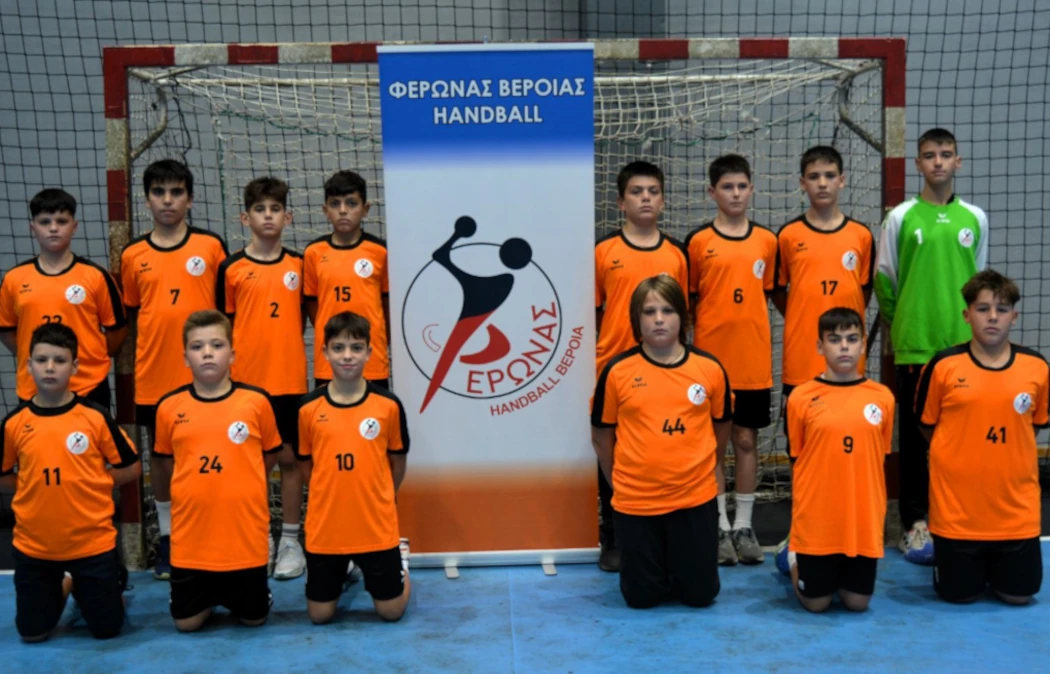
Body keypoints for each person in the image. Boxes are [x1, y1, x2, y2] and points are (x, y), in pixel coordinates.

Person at [874, 128, 989, 564]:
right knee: (916, 442)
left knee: (961, 440)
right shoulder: (901, 217)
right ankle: (915, 524)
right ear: (918, 164)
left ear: (958, 161)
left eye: (945, 154)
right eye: (929, 155)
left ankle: (956, 517)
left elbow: (979, 283)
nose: (938, 162)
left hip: (963, 349)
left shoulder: (975, 217)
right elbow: (885, 280)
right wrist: (904, 322)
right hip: (917, 347)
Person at [591, 275, 731, 608]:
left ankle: (679, 564)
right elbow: (601, 437)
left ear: (683, 317)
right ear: (636, 319)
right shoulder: (617, 371)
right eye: (649, 311)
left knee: (700, 596)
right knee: (642, 598)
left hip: (694, 499)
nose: (658, 319)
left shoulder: (709, 369)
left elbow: (721, 429)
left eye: (668, 310)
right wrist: (620, 483)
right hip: (636, 502)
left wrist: (702, 472)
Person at [120, 159, 228, 579]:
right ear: (147, 199)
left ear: (190, 199)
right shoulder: (133, 255)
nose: (168, 200)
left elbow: (224, 313)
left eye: (176, 192)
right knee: (162, 461)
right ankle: (168, 540)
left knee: (211, 454)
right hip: (155, 378)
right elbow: (133, 315)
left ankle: (213, 534)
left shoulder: (211, 247)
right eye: (159, 192)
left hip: (207, 378)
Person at [0, 323, 140, 641]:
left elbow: (131, 468)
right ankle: (65, 584)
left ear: (74, 366)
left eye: (60, 360)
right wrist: (32, 485)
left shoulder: (95, 417)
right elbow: (2, 475)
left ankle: (99, 581)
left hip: (91, 544)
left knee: (107, 630)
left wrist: (92, 481)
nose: (50, 367)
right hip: (35, 548)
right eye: (42, 360)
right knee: (32, 635)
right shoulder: (14, 423)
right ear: (28, 365)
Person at [916, 269, 1047, 604]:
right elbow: (927, 425)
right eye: (983, 308)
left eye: (1002, 310)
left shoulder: (1036, 367)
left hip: (1016, 514)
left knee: (1018, 597)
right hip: (957, 516)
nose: (992, 317)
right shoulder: (943, 366)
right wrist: (960, 449)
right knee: (959, 597)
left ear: (1014, 317)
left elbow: (1032, 426)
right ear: (966, 315)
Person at [152, 310, 282, 631]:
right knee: (186, 625)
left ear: (232, 354)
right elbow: (167, 462)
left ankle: (245, 592)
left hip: (244, 539)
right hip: (191, 541)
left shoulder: (256, 402)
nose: (207, 353)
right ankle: (206, 596)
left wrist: (241, 476)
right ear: (186, 358)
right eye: (197, 347)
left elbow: (269, 455)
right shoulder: (168, 407)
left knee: (254, 620)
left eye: (217, 345)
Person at [594, 161, 689, 572]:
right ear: (621, 202)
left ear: (663, 200)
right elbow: (594, 311)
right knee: (612, 448)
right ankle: (615, 534)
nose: (645, 198)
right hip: (614, 368)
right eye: (636, 192)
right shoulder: (603, 251)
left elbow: (685, 312)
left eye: (653, 191)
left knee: (663, 446)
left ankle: (667, 531)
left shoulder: (677, 253)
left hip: (667, 368)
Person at [685, 154, 776, 566]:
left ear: (751, 189)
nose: (735, 194)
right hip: (710, 365)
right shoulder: (697, 242)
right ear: (712, 192)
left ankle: (743, 526)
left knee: (745, 441)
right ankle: (718, 526)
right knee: (713, 446)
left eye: (742, 186)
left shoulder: (768, 242)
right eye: (727, 187)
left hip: (753, 363)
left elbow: (770, 293)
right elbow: (689, 301)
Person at [216, 177, 308, 580]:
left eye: (275, 209)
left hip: (290, 382)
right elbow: (224, 327)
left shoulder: (300, 265)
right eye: (259, 210)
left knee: (289, 460)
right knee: (250, 463)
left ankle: (289, 540)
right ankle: (257, 536)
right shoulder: (231, 268)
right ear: (245, 218)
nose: (267, 216)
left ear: (288, 217)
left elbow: (304, 318)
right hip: (245, 385)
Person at [297, 311, 411, 623]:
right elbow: (306, 466)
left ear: (369, 353)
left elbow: (398, 462)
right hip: (326, 528)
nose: (347, 356)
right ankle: (346, 567)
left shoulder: (388, 405)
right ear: (324, 353)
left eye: (356, 348)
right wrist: (327, 491)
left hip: (375, 525)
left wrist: (380, 495)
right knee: (319, 617)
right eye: (338, 348)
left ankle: (401, 563)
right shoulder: (308, 408)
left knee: (391, 612)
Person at [785, 308, 894, 612]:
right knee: (816, 604)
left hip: (861, 518)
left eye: (852, 338)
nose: (844, 346)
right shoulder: (801, 398)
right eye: (834, 340)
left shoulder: (883, 397)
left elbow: (879, 456)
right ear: (820, 347)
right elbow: (797, 459)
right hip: (818, 517)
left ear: (863, 345)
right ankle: (793, 555)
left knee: (857, 603)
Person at [0, 188, 127, 408]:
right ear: (33, 228)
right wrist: (37, 354)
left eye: (61, 221)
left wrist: (90, 356)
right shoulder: (14, 279)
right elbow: (6, 330)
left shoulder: (96, 276)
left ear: (74, 227)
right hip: (33, 390)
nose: (53, 228)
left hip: (89, 388)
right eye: (44, 222)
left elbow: (117, 331)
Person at [773, 145, 875, 406]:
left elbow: (864, 289)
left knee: (846, 421)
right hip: (802, 354)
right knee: (802, 427)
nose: (822, 183)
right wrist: (802, 312)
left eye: (830, 176)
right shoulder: (788, 235)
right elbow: (777, 290)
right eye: (814, 176)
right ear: (802, 183)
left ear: (842, 180)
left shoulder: (861, 235)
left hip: (847, 357)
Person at [303, 170, 390, 390]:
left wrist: (377, 338)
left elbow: (387, 305)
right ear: (325, 210)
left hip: (372, 360)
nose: (343, 210)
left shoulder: (380, 252)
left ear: (365, 209)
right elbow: (313, 306)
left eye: (351, 203)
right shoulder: (313, 252)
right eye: (335, 204)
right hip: (329, 362)